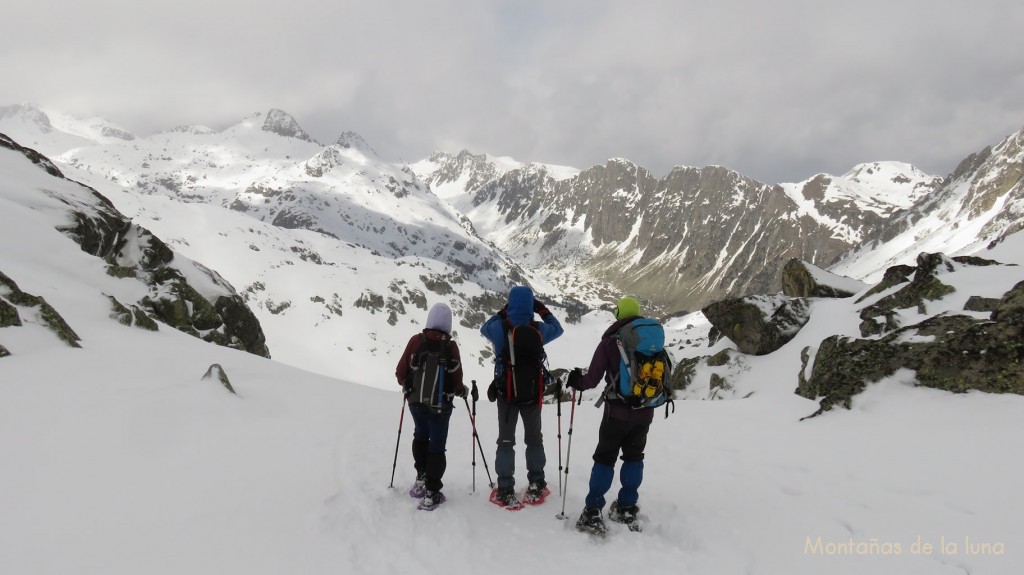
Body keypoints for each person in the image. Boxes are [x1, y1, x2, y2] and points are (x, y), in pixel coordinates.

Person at [566, 296, 660, 533]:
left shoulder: (610, 342)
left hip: (615, 413)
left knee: (605, 458)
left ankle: (593, 510)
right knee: (634, 457)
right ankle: (627, 507)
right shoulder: (653, 340)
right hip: (644, 412)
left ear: (618, 314)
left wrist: (577, 381)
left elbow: (592, 379)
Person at [480, 285, 564, 508]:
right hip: (531, 395)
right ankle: (537, 483)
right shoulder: (538, 329)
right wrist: (542, 310)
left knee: (506, 441)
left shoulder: (500, 327)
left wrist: (503, 312)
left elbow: (484, 328)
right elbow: (558, 328)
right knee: (534, 439)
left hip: (506, 395)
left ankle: (505, 489)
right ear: (530, 306)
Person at [395, 302, 466, 510]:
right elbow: (456, 380)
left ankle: (421, 478)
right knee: (437, 445)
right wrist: (461, 390)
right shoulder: (450, 347)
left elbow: (400, 372)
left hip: (415, 402)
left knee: (420, 435)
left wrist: (407, 384)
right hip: (440, 407)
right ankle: (432, 492)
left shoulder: (417, 340)